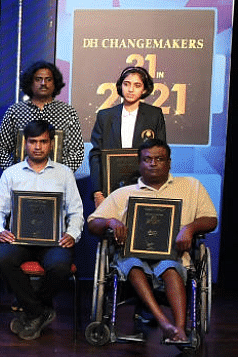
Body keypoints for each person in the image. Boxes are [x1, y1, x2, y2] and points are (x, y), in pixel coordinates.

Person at [87, 139, 216, 345]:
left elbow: (211, 219)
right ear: (139, 164)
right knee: (133, 264)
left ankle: (180, 330)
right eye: (147, 159)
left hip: (172, 254)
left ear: (169, 162)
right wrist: (110, 221)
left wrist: (189, 229)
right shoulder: (124, 194)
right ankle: (164, 323)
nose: (153, 163)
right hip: (133, 256)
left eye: (159, 159)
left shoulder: (191, 187)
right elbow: (93, 224)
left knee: (170, 268)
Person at [0, 120, 83, 340]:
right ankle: (39, 312)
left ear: (51, 144)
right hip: (19, 239)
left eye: (43, 141)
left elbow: (76, 212)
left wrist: (72, 234)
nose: (38, 146)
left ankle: (33, 312)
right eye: (33, 142)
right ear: (26, 143)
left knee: (60, 265)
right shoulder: (11, 174)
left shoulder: (64, 173)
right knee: (2, 259)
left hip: (53, 240)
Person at [89, 66, 168, 206]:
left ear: (144, 89)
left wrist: (157, 189)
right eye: (127, 84)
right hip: (110, 190)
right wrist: (97, 192)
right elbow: (96, 155)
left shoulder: (154, 115)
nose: (131, 90)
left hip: (145, 188)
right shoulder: (105, 116)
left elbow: (161, 154)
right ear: (120, 87)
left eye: (137, 85)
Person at [0, 60, 83, 173]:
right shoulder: (15, 112)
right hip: (21, 183)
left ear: (55, 83)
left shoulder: (68, 113)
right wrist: (16, 173)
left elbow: (77, 152)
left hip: (57, 183)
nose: (43, 83)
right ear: (30, 82)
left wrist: (60, 174)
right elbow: (1, 151)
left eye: (48, 79)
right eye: (38, 79)